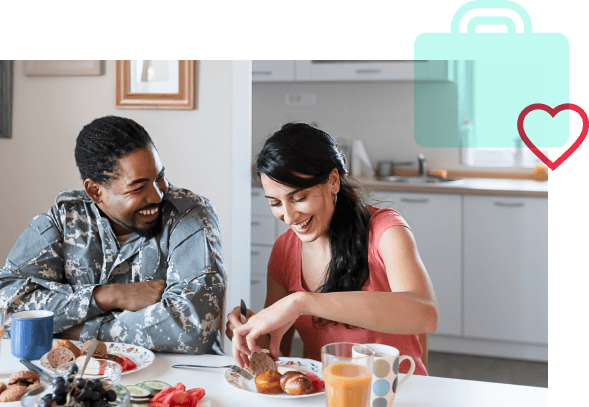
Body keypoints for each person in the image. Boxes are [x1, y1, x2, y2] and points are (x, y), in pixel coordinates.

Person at [0, 116, 226, 355]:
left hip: (180, 379)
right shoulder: (64, 218)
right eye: (138, 188)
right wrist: (106, 296)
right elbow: (6, 308)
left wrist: (71, 331)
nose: (157, 195)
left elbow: (194, 328)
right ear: (95, 191)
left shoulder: (188, 214)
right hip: (86, 379)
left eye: (159, 177)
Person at [226, 122, 437, 375]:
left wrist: (302, 302)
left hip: (394, 393)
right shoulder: (284, 250)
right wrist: (248, 331)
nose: (289, 217)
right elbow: (276, 349)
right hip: (328, 394)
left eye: (298, 198)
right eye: (275, 203)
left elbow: (424, 313)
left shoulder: (385, 231)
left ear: (333, 181)